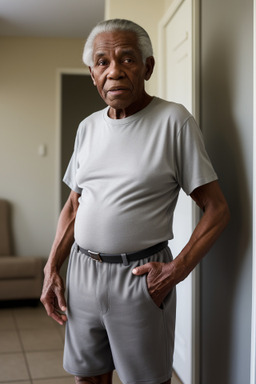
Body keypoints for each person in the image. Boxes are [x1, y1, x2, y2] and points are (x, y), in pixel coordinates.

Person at [40, 19, 230, 384]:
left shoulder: (174, 122)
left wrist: (174, 273)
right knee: (88, 377)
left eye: (127, 59)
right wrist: (52, 269)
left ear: (148, 67)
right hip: (82, 272)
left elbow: (217, 210)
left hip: (139, 277)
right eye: (102, 62)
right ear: (92, 74)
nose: (114, 71)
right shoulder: (87, 128)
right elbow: (74, 206)